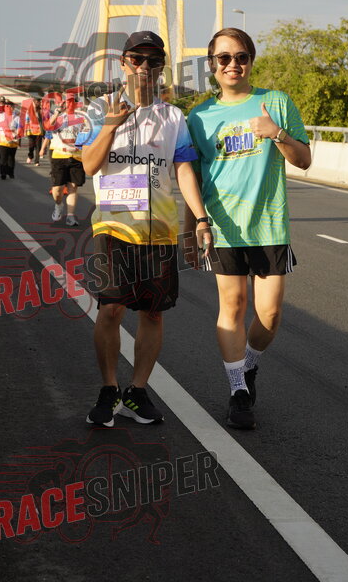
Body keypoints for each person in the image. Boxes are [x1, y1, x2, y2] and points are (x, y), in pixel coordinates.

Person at [77, 31, 212, 427]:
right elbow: (89, 165)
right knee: (111, 309)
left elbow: (183, 170)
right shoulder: (98, 108)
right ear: (123, 63)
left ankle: (137, 391)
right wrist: (109, 126)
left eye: (153, 61)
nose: (144, 67)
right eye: (137, 59)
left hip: (159, 229)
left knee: (152, 314)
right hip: (113, 226)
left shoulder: (173, 117)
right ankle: (108, 389)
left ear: (161, 67)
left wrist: (200, 219)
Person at [186, 28, 311, 429]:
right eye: (223, 58)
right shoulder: (199, 117)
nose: (233, 64)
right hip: (223, 226)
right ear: (211, 65)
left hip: (269, 225)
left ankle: (249, 365)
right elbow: (192, 177)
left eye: (241, 57)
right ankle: (238, 390)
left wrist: (277, 134)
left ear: (251, 61)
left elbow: (304, 160)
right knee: (233, 306)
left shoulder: (275, 102)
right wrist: (193, 228)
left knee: (270, 314)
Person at [40, 93, 86, 226]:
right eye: (67, 101)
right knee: (57, 190)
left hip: (76, 156)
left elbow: (87, 136)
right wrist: (57, 112)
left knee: (73, 187)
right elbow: (48, 127)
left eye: (72, 101)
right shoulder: (59, 117)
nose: (70, 104)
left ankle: (70, 216)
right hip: (59, 156)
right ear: (63, 103)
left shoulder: (82, 118)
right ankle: (58, 204)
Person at [0, 101, 20, 179]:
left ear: (14, 108)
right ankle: (3, 173)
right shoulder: (0, 116)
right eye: (8, 107)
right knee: (3, 157)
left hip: (13, 141)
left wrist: (17, 136)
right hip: (2, 141)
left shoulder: (17, 118)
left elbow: (20, 129)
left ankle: (11, 172)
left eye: (12, 107)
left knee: (11, 157)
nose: (10, 109)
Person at [25, 98, 44, 165]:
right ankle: (30, 156)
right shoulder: (29, 110)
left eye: (39, 102)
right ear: (34, 102)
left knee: (38, 146)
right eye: (37, 102)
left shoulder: (41, 110)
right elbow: (26, 120)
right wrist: (26, 129)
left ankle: (37, 161)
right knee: (31, 146)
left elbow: (43, 120)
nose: (38, 103)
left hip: (39, 131)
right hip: (31, 131)